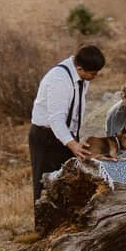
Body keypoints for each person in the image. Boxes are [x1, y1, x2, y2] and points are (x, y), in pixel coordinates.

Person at [29, 44, 105, 220]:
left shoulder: (81, 78)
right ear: (80, 68)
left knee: (67, 182)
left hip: (66, 135)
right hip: (46, 136)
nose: (95, 77)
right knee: (46, 184)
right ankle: (44, 227)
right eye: (93, 74)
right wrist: (72, 145)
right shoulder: (59, 80)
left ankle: (63, 224)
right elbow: (56, 119)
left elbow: (76, 110)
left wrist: (76, 138)